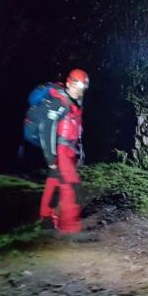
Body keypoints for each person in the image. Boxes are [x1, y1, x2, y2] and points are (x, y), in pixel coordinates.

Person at [38, 69, 89, 234]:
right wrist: (51, 159)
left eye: (82, 87)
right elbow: (46, 130)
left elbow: (76, 130)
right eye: (77, 86)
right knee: (70, 186)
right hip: (60, 151)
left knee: (53, 182)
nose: (79, 91)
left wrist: (79, 152)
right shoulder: (59, 102)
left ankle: (46, 219)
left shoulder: (75, 103)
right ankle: (69, 228)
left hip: (69, 150)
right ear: (69, 83)